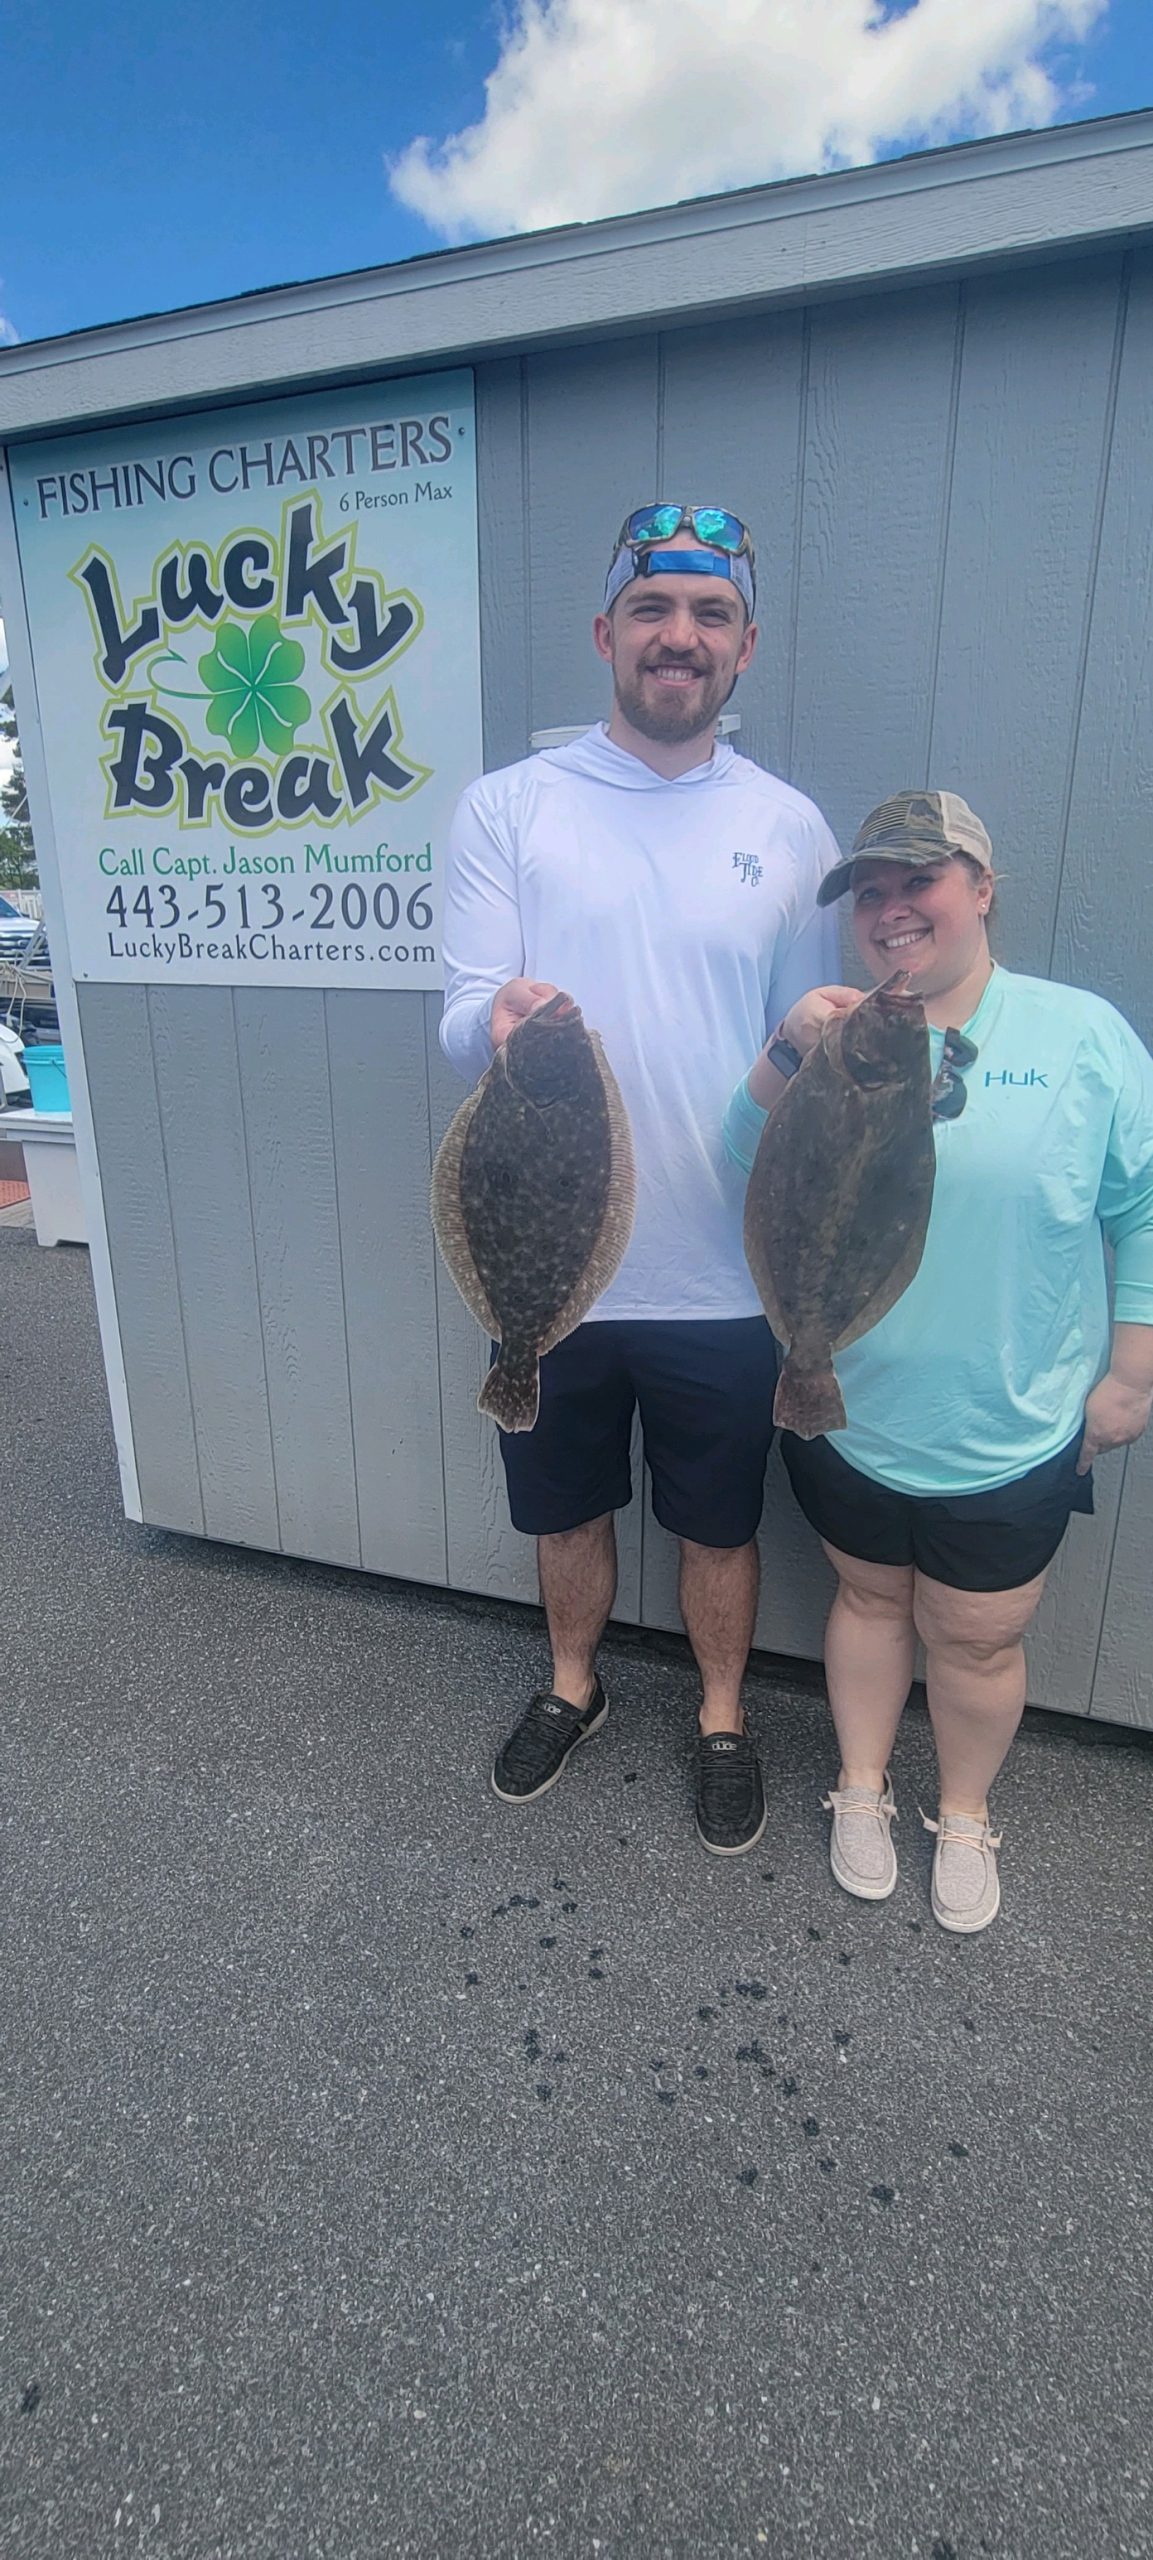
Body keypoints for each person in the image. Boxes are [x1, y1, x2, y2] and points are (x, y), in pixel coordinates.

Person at [440, 503, 841, 1852]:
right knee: (565, 1509)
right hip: (548, 1268)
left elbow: (800, 1056)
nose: (681, 636)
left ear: (745, 647)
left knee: (718, 1524)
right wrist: (496, 1020)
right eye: (654, 610)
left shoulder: (789, 826)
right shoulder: (509, 806)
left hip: (725, 1269)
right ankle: (574, 1684)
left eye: (710, 614)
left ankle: (723, 1713)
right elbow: (461, 1011)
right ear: (605, 632)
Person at [724, 790, 1153, 1931]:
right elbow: (741, 1160)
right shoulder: (835, 1036)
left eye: (920, 880)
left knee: (978, 1636)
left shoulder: (1081, 1036)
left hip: (1010, 1421)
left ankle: (962, 1811)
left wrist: (1133, 1369)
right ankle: (861, 1784)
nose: (892, 909)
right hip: (846, 1403)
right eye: (870, 891)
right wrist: (784, 1050)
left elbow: (1143, 1203)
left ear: (981, 888)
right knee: (868, 1600)